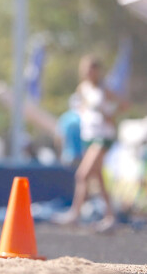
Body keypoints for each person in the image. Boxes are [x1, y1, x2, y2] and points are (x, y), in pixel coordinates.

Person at [53, 55, 127, 233]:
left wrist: (110, 114)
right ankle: (110, 216)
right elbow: (81, 108)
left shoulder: (104, 89)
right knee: (98, 178)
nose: (89, 72)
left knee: (82, 174)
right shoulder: (83, 89)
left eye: (93, 68)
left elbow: (124, 104)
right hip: (89, 136)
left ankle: (74, 213)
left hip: (103, 137)